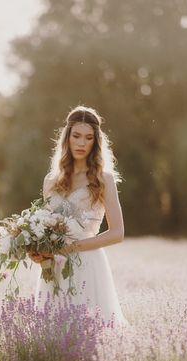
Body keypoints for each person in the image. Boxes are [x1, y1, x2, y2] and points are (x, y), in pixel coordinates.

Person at [28, 105, 130, 329]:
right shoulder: (50, 181)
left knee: (92, 332)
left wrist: (73, 248)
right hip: (54, 267)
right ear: (67, 137)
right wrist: (39, 252)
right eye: (76, 136)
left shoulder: (104, 179)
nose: (82, 143)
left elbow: (117, 233)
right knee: (52, 334)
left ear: (96, 141)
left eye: (88, 138)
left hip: (89, 264)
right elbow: (46, 229)